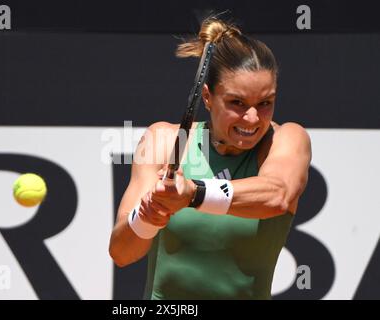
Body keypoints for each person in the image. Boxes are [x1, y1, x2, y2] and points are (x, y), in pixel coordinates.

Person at [109, 17, 311, 300]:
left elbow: (278, 196)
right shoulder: (162, 139)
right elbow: (121, 253)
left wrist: (192, 194)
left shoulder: (287, 138)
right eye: (237, 103)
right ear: (207, 97)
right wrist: (148, 215)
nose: (252, 118)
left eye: (265, 103)